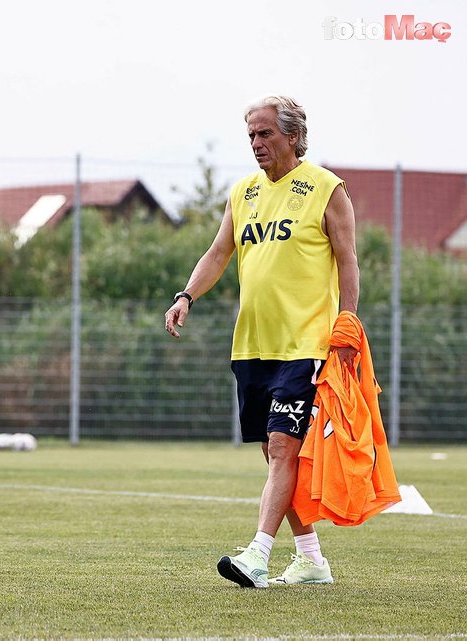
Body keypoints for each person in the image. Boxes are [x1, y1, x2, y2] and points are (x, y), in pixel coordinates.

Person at [164, 95, 359, 588]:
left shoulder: (326, 189)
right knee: (275, 456)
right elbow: (217, 254)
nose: (256, 143)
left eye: (266, 133)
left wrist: (346, 325)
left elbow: (348, 260)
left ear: (293, 136)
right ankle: (312, 558)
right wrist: (187, 294)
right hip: (252, 345)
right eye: (251, 135)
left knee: (282, 446)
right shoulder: (243, 193)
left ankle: (257, 554)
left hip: (306, 345)